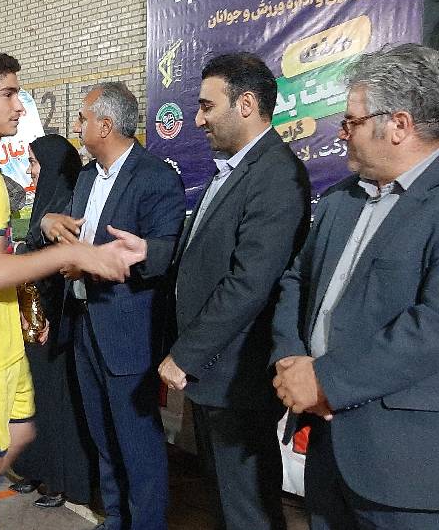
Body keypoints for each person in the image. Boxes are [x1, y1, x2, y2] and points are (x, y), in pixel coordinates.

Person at [272, 43, 439, 529]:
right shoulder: (340, 200)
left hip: (415, 467)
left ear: (399, 125)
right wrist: (288, 357)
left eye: (351, 122)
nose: (341, 133)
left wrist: (325, 380)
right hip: (329, 449)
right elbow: (297, 280)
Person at [0, 49, 139, 530]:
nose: (19, 107)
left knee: (22, 431)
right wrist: (80, 255)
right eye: (8, 95)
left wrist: (46, 224)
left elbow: (0, 247)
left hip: (2, 340)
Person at [126, 52, 311, 530]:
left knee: (245, 506)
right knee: (226, 500)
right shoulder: (236, 167)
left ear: (246, 104)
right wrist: (151, 250)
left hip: (236, 376)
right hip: (216, 374)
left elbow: (250, 282)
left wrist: (186, 355)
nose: (198, 119)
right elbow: (207, 255)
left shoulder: (275, 173)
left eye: (207, 106)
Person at [40, 82, 187, 530]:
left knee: (137, 442)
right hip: (83, 324)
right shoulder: (86, 177)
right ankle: (115, 518)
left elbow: (163, 256)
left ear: (104, 125)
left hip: (127, 332)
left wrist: (96, 265)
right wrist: (50, 224)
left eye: (82, 119)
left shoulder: (156, 177)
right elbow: (71, 233)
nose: (75, 126)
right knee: (102, 435)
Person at [10, 134, 94, 509]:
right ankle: (36, 470)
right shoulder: (45, 204)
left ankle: (60, 480)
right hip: (35, 315)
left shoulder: (66, 206)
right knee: (34, 398)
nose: (30, 170)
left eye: (34, 163)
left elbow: (59, 264)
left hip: (56, 321)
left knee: (57, 404)